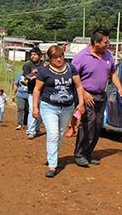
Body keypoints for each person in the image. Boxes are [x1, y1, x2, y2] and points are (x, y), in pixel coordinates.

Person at [72, 28, 122, 167]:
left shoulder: (108, 54)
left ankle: (88, 153)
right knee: (88, 124)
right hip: (86, 95)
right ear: (96, 42)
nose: (108, 45)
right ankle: (79, 154)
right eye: (105, 42)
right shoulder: (81, 56)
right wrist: (84, 94)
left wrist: (119, 87)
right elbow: (73, 77)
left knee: (97, 125)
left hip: (101, 95)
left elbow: (112, 72)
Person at [33, 45, 85, 177]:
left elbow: (79, 86)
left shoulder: (71, 68)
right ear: (50, 59)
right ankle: (52, 165)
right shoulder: (44, 72)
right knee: (53, 133)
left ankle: (54, 158)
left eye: (61, 56)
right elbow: (37, 90)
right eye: (55, 57)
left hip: (67, 107)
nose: (59, 60)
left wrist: (81, 103)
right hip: (49, 106)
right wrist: (35, 107)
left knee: (61, 133)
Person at [23, 47, 44, 139]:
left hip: (43, 92)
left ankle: (37, 129)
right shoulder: (28, 65)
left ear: (39, 55)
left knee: (41, 112)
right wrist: (35, 75)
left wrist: (36, 73)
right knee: (33, 110)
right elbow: (27, 77)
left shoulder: (44, 64)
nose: (33, 56)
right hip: (32, 92)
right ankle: (30, 131)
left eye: (35, 54)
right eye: (31, 55)